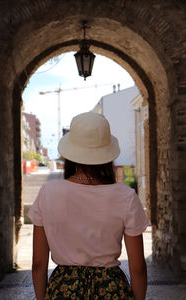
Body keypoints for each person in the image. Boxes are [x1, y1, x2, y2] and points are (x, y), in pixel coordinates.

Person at [28, 111, 149, 300]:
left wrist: (42, 297)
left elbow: (38, 263)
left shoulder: (48, 193)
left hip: (63, 289)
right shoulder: (126, 196)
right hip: (111, 290)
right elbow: (138, 267)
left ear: (71, 152)